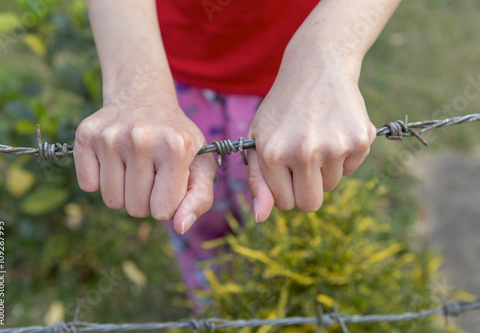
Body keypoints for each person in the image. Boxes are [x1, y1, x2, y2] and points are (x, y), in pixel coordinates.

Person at [73, 0, 401, 290]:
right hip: (169, 75)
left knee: (297, 223)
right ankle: (215, 308)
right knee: (188, 213)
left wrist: (324, 54)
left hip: (299, 93)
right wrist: (136, 88)